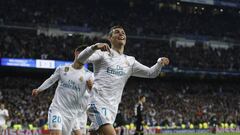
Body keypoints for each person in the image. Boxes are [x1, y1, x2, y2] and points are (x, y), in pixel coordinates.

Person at [77, 25, 169, 135]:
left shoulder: (130, 61)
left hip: (112, 108)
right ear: (110, 38)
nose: (121, 34)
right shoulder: (102, 54)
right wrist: (95, 47)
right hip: (97, 104)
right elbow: (81, 59)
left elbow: (151, 73)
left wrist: (159, 63)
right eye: (117, 32)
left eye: (123, 33)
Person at [32, 46, 93, 135]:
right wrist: (39, 89)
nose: (85, 57)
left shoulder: (89, 75)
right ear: (76, 53)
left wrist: (91, 88)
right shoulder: (62, 69)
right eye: (83, 54)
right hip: (57, 109)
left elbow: (94, 95)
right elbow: (51, 80)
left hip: (73, 114)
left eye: (87, 56)